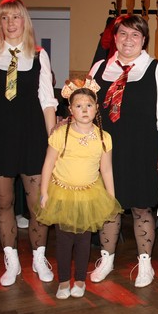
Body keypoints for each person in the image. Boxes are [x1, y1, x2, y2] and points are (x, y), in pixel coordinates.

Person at [0, 0, 58, 287]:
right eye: (5, 18)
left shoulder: (39, 55)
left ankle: (38, 257)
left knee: (38, 205)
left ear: (25, 21)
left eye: (16, 17)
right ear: (0, 22)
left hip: (33, 136)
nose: (10, 23)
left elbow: (47, 102)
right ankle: (11, 260)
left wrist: (53, 144)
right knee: (4, 201)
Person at [88, 14, 158, 288]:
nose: (129, 40)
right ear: (115, 38)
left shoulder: (157, 69)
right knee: (109, 207)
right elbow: (85, 109)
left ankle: (145, 263)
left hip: (143, 149)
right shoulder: (99, 68)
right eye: (123, 34)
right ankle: (106, 259)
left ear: (144, 40)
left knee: (141, 207)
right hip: (106, 152)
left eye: (135, 35)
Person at [35, 80, 123, 299]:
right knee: (64, 240)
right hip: (62, 194)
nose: (84, 110)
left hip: (89, 194)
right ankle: (64, 281)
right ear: (71, 110)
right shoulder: (60, 134)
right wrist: (44, 192)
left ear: (96, 108)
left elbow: (107, 170)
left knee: (84, 241)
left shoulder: (104, 137)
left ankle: (81, 280)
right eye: (79, 106)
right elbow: (48, 164)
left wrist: (111, 197)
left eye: (89, 105)